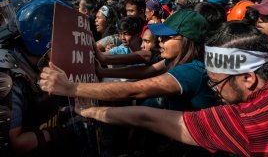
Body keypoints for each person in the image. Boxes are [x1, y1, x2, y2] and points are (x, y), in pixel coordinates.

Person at [76, 21, 268, 157]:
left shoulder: (245, 122)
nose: (214, 90)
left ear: (248, 78)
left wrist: (87, 109)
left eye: (216, 82)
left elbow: (145, 115)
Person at [40, 9, 220, 156]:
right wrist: (103, 70)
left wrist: (71, 88)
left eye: (167, 37)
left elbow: (135, 90)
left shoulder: (191, 71)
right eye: (160, 36)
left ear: (188, 41)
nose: (160, 41)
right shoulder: (174, 61)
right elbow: (146, 71)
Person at [0, 0, 82, 157]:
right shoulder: (8, 75)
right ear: (42, 40)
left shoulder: (37, 62)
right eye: (65, 42)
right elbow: (17, 143)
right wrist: (63, 131)